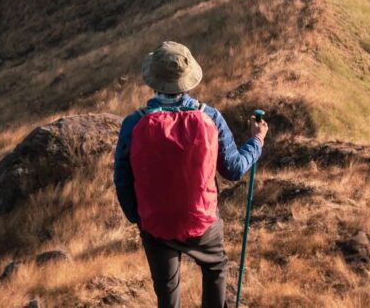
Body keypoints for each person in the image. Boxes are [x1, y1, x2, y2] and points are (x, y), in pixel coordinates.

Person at [113, 41, 269, 308]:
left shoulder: (133, 123)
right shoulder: (210, 117)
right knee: (216, 268)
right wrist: (257, 141)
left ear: (153, 80)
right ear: (187, 81)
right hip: (203, 222)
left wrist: (138, 218)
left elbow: (122, 179)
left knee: (167, 290)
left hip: (156, 225)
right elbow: (233, 169)